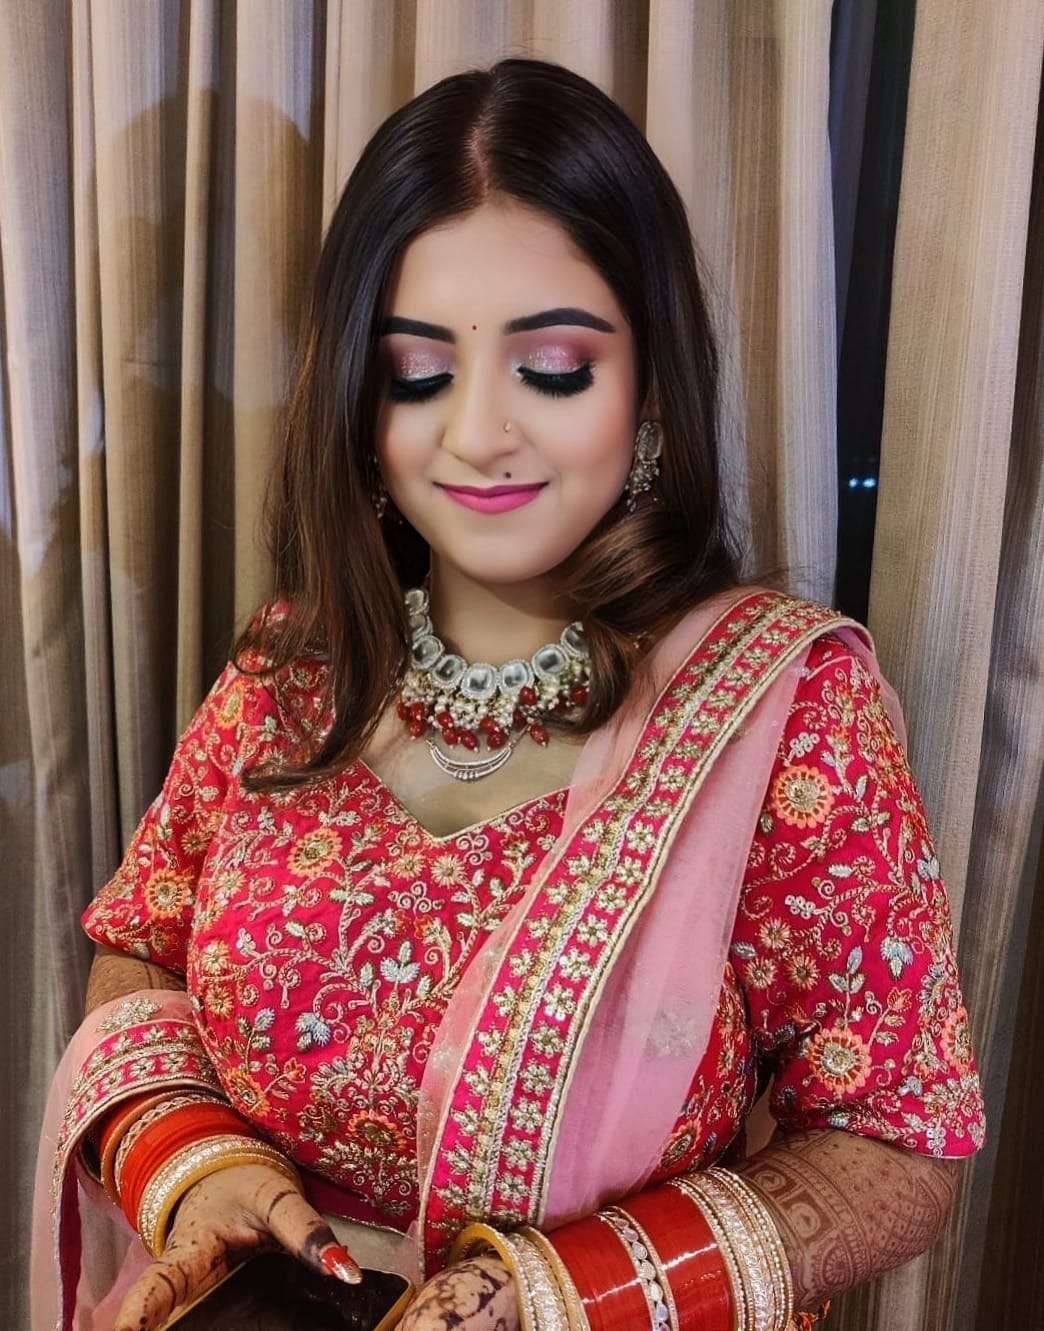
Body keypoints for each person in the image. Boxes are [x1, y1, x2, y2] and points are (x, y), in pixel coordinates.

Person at [32, 55, 986, 1331]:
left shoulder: (781, 711)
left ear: (650, 387)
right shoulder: (295, 666)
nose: (479, 432)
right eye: (419, 373)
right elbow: (142, 942)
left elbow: (897, 1139)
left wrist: (540, 1293)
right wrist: (193, 1166)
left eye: (553, 366)